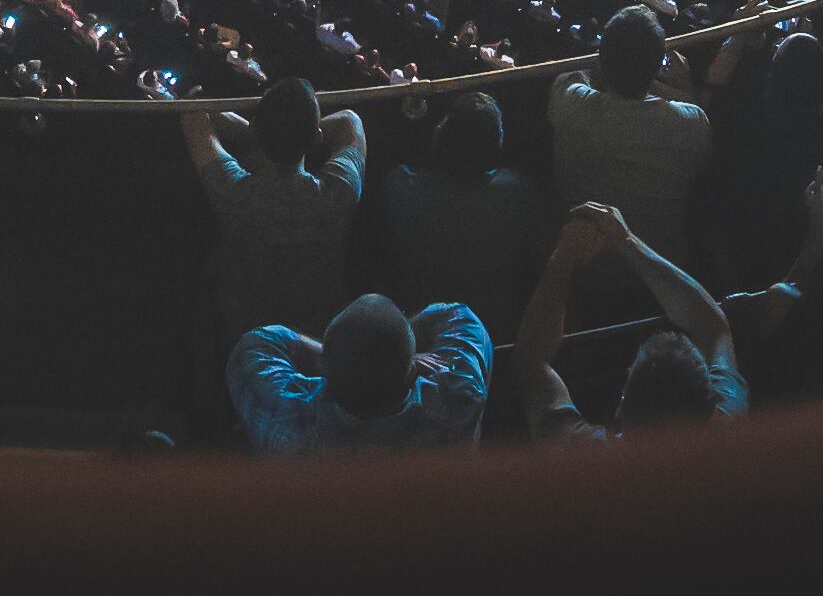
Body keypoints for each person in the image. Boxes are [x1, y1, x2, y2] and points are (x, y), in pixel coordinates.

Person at [511, 201, 745, 443]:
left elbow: (531, 360)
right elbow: (712, 326)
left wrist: (564, 257)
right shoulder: (728, 422)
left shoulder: (583, 456)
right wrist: (627, 241)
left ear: (620, 408)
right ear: (711, 406)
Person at [181, 76, 367, 349]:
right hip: (318, 331)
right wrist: (298, 130)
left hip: (242, 326)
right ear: (316, 137)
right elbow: (350, 121)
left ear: (257, 129)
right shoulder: (339, 193)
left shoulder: (232, 191)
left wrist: (261, 131)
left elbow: (194, 114)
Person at [372, 88, 554, 333]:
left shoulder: (400, 187)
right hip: (495, 332)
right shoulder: (519, 193)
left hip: (420, 333)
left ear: (442, 134)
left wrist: (411, 123)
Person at [547, 4, 710, 268]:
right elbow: (697, 121)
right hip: (655, 274)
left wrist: (609, 62)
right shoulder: (691, 121)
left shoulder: (571, 102)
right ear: (658, 65)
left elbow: (572, 76)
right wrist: (682, 87)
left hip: (576, 263)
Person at [230, 291, 490, 451]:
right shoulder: (458, 401)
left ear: (324, 367)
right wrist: (392, 355)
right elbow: (457, 315)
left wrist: (343, 356)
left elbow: (262, 340)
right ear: (411, 370)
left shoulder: (289, 419)